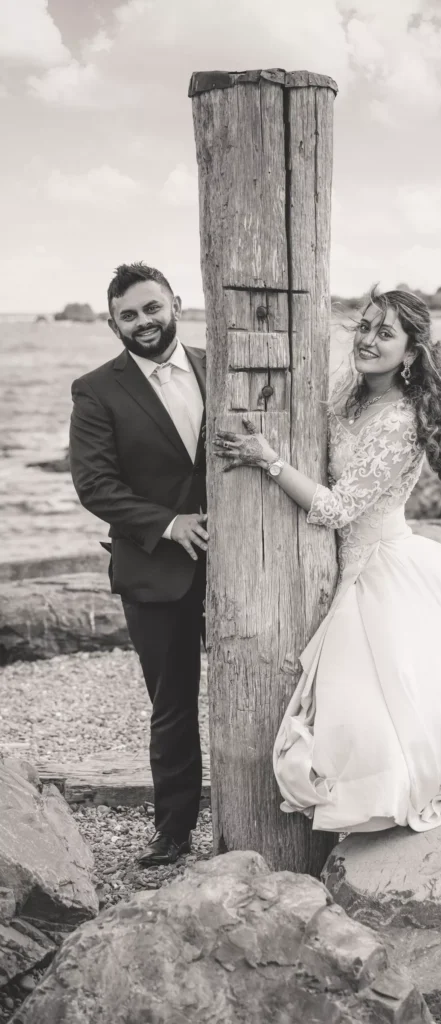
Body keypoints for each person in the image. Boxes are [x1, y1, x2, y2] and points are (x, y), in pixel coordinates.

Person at [213, 287, 441, 834]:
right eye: (364, 327)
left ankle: (383, 800)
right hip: (347, 566)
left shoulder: (400, 421)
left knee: (380, 707)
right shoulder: (351, 394)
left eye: (384, 333)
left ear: (410, 353)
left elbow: (339, 509)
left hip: (382, 568)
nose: (367, 340)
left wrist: (269, 462)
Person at [69, 263, 208, 865]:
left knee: (274, 687)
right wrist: (170, 524)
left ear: (175, 303)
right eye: (128, 315)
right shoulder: (96, 389)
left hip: (248, 562)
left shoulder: (218, 363)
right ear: (112, 323)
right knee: (173, 703)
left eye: (152, 309)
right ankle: (174, 833)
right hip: (155, 568)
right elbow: (95, 485)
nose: (143, 322)